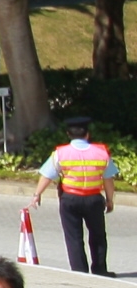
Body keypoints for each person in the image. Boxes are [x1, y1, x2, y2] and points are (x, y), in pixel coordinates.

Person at [28, 114, 115, 275]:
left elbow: (47, 175)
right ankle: (100, 270)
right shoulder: (101, 153)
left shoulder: (61, 153)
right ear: (87, 134)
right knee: (98, 236)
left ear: (68, 134)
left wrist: (37, 194)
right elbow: (108, 179)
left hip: (70, 199)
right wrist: (110, 200)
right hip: (94, 199)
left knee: (73, 237)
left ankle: (79, 272)